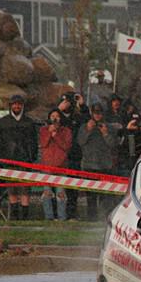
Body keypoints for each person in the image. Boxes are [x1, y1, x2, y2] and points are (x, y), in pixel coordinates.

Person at [0, 94, 37, 220]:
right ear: (10, 106)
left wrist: (31, 157)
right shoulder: (3, 122)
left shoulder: (29, 122)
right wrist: (3, 157)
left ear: (23, 106)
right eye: (14, 104)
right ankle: (14, 216)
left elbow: (34, 142)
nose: (17, 106)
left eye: (19, 104)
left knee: (25, 189)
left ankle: (24, 217)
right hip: (9, 160)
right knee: (12, 189)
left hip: (25, 160)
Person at [77, 103, 116, 220]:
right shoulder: (84, 126)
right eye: (95, 113)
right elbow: (80, 142)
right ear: (92, 113)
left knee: (105, 196)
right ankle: (92, 218)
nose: (97, 115)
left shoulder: (109, 127)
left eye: (99, 113)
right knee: (91, 197)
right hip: (89, 165)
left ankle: (105, 218)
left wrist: (105, 134)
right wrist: (88, 130)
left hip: (105, 166)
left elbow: (113, 145)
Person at [39, 109, 72, 221]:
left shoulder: (66, 131)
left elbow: (66, 146)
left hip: (61, 166)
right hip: (47, 166)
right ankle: (48, 217)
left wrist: (56, 135)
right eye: (52, 116)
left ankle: (62, 217)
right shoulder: (43, 130)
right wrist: (49, 132)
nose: (55, 118)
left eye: (57, 116)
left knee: (61, 193)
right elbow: (43, 144)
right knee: (47, 193)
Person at [57, 92, 86, 220]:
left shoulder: (77, 117)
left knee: (73, 187)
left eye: (69, 102)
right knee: (58, 186)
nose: (67, 104)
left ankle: (71, 213)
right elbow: (50, 121)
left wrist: (82, 105)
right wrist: (58, 110)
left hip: (74, 156)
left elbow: (87, 120)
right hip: (59, 156)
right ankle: (57, 214)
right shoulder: (58, 117)